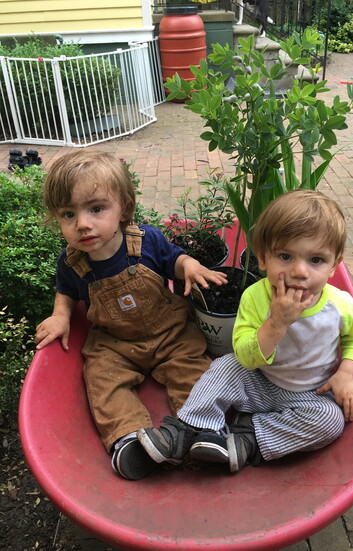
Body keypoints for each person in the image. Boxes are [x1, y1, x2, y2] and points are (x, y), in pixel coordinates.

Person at [137, 189, 353, 473]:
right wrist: (276, 322)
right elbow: (245, 357)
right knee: (226, 366)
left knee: (330, 420)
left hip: (310, 394)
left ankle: (247, 438)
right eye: (285, 256)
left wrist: (347, 372)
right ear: (262, 259)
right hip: (258, 381)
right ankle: (186, 429)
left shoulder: (339, 305)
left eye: (316, 260)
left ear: (334, 264)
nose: (299, 271)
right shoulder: (255, 297)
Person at [35, 150, 227, 480]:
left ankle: (204, 428)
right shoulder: (71, 263)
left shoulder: (147, 240)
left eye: (96, 209)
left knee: (193, 369)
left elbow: (174, 259)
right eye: (68, 214)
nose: (82, 224)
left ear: (123, 208)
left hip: (169, 332)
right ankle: (130, 440)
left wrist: (190, 266)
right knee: (102, 380)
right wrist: (60, 315)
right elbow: (66, 291)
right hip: (116, 343)